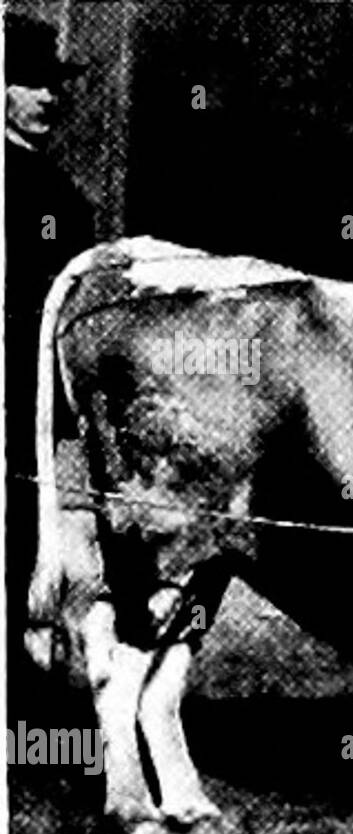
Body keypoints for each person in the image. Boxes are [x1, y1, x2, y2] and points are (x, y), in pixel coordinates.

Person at [4, 12, 93, 665]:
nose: (48, 99)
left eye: (51, 85)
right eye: (28, 84)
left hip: (29, 393)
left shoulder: (54, 189)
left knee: (24, 532)